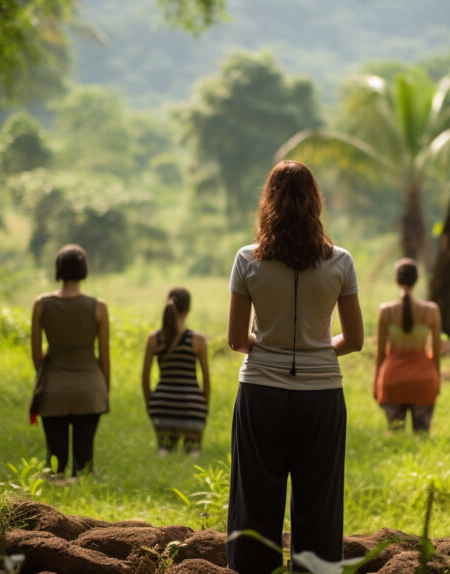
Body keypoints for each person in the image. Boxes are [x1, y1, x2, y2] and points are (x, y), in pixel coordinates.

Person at [226, 160, 364, 573]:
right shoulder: (340, 262)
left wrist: (270, 347)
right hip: (321, 398)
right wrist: (316, 351)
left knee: (255, 504)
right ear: (315, 203)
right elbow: (354, 340)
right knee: (318, 507)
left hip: (260, 395)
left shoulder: (247, 260)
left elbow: (236, 340)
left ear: (268, 202)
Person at [29, 245, 110, 477]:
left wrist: (51, 377)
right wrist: (104, 389)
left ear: (58, 269)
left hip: (53, 388)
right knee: (84, 465)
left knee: (55, 462)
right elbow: (104, 357)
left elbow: (36, 356)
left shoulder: (41, 305)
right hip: (90, 388)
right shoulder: (98, 307)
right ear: (84, 269)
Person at [141, 287, 211, 458]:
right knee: (192, 454)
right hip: (191, 406)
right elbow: (206, 381)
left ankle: (163, 454)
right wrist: (203, 409)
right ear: (188, 310)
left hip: (162, 406)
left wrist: (152, 404)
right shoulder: (198, 340)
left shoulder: (154, 339)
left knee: (164, 451)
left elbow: (144, 378)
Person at [373, 258, 441, 433]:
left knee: (395, 438)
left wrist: (376, 383)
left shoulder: (386, 311)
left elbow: (380, 352)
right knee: (422, 436)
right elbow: (437, 352)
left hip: (392, 380)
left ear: (396, 280)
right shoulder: (431, 310)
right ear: (416, 280)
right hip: (424, 379)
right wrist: (437, 381)